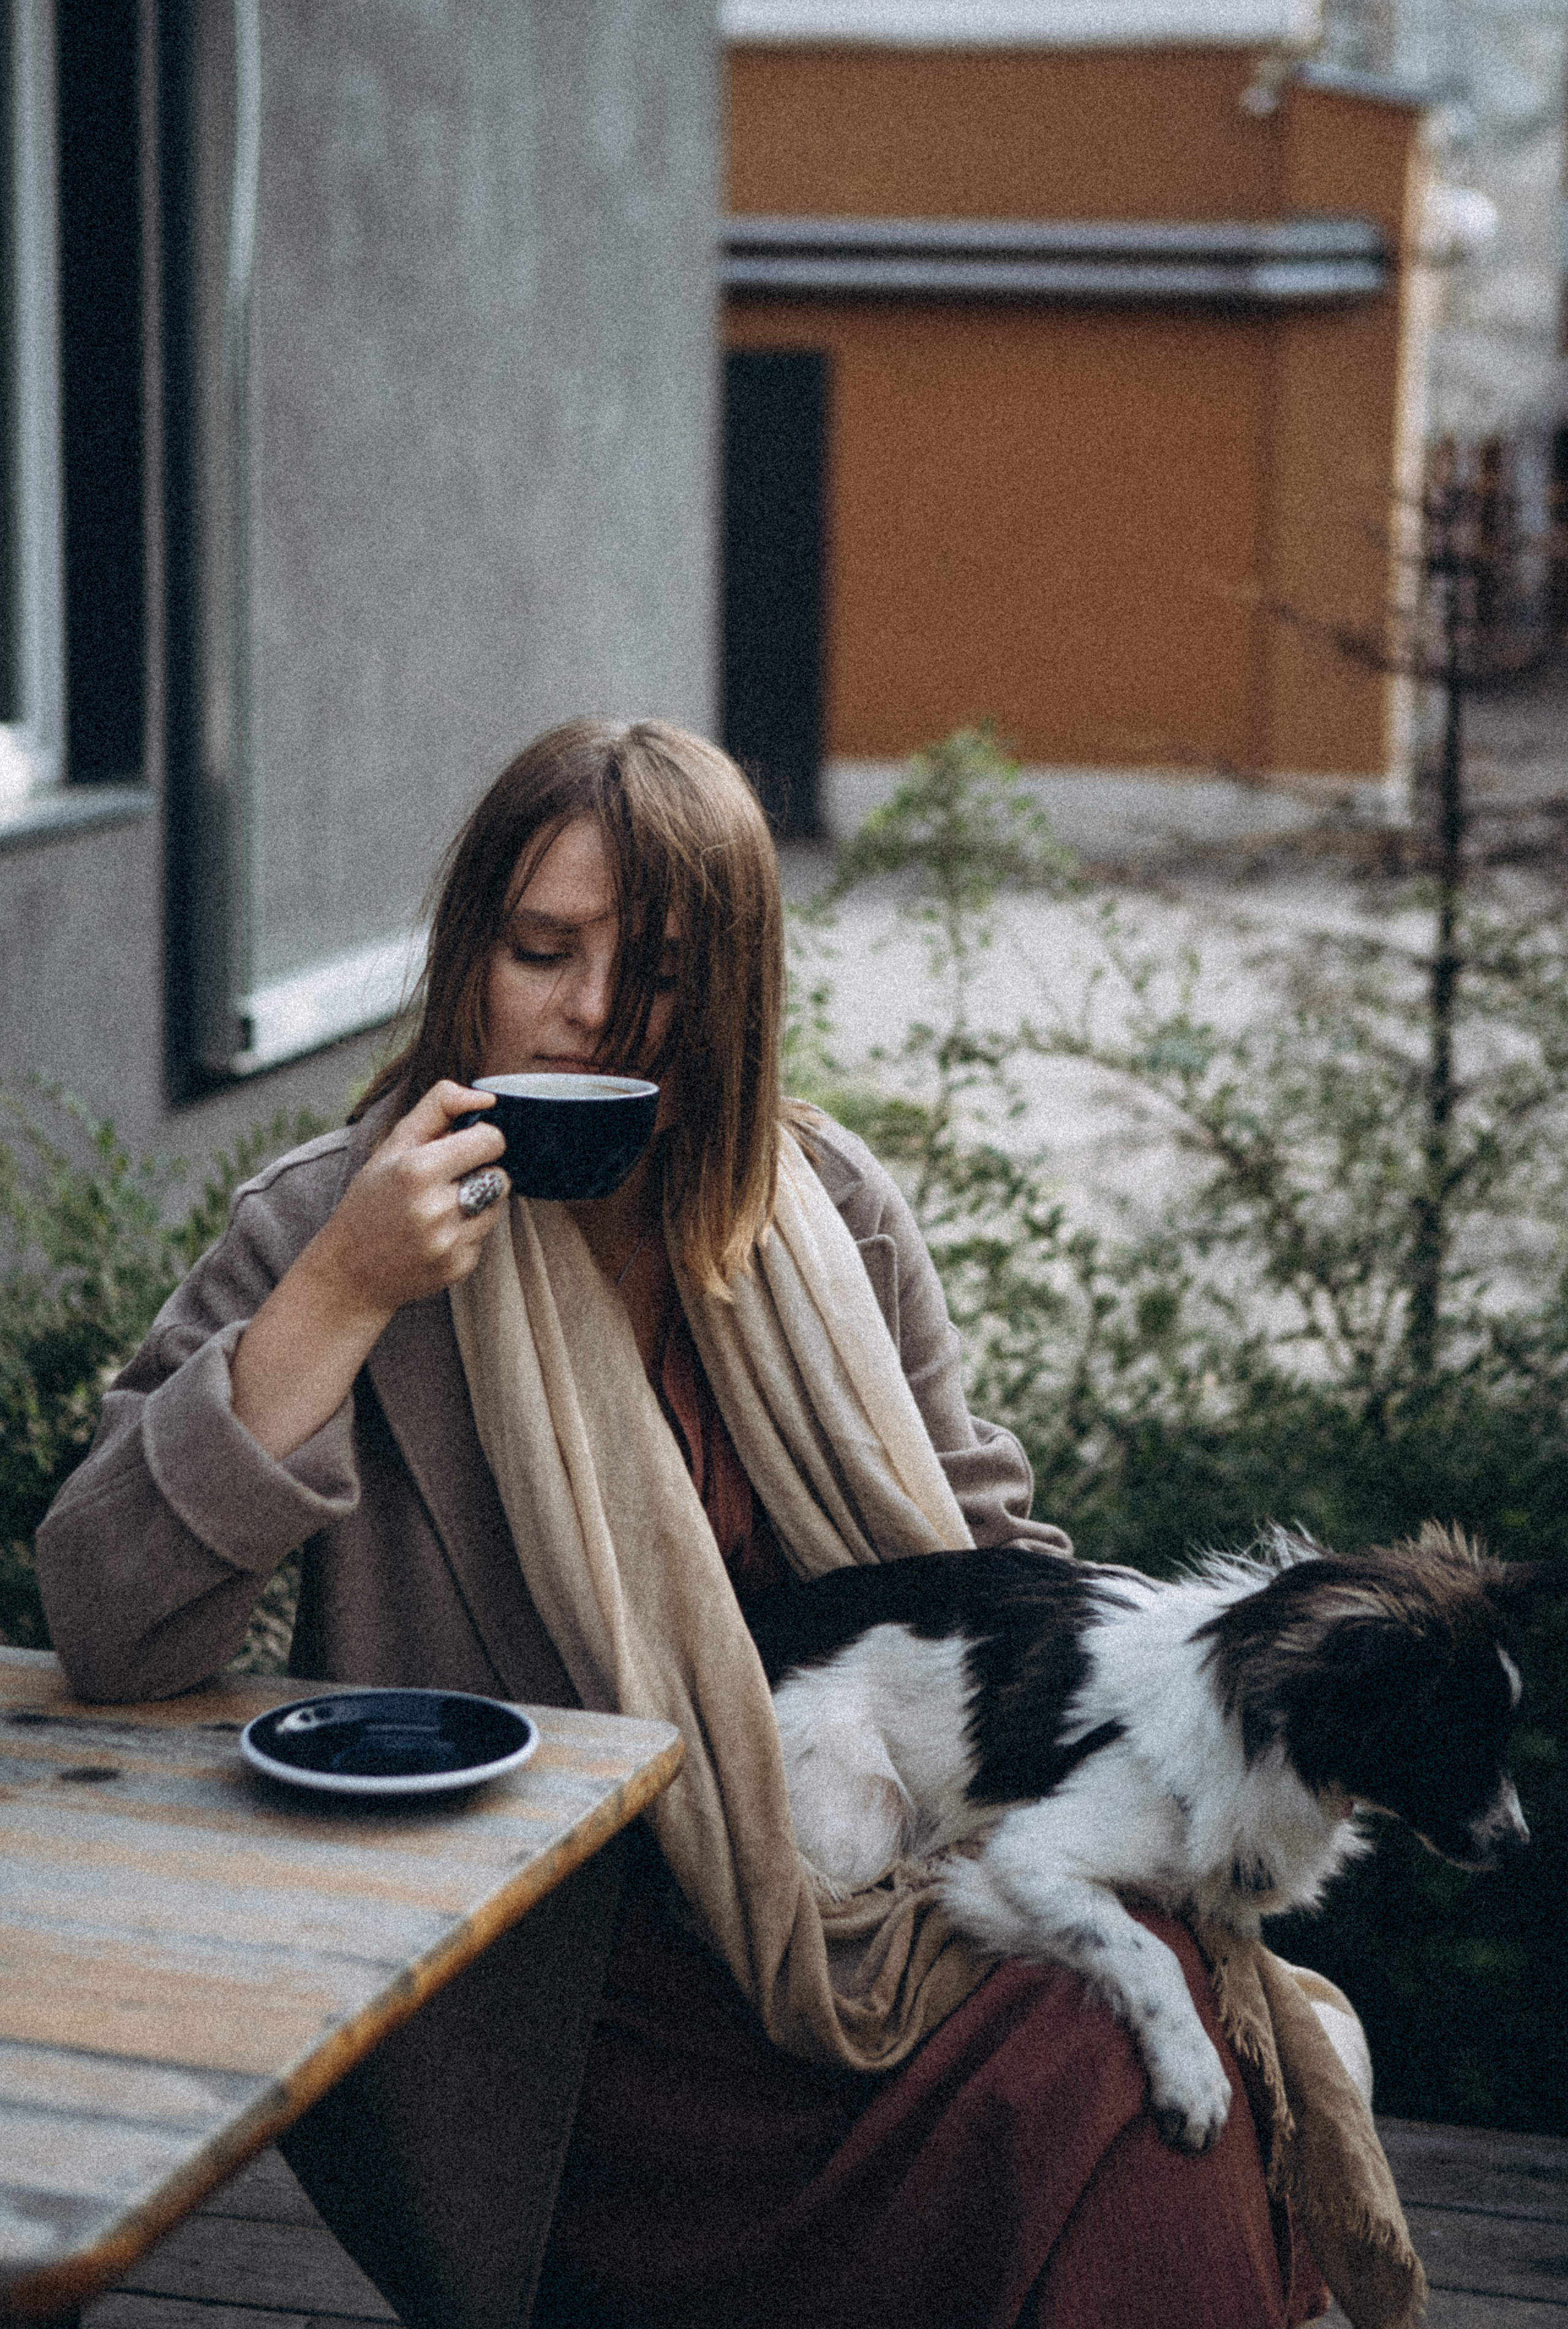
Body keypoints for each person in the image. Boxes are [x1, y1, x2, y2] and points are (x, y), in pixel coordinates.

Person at [39, 719, 1354, 2329]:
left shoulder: (832, 1211)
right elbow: (109, 1621)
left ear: (729, 1002)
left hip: (878, 1898)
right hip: (565, 1999)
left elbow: (996, 1565)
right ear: (469, 957)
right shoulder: (334, 1224)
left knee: (1138, 2070)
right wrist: (341, 1301)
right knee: (1089, 2072)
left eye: (657, 974)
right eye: (543, 952)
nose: (592, 1017)